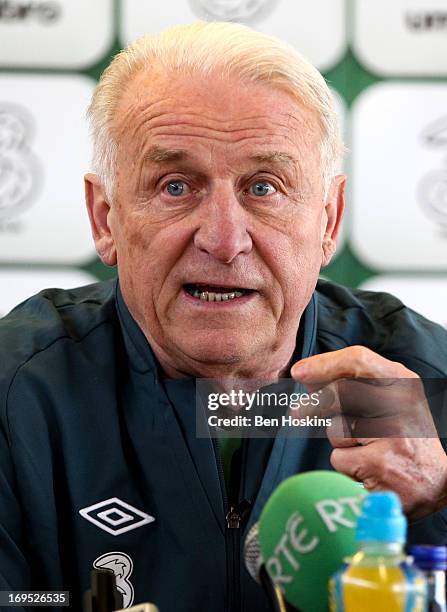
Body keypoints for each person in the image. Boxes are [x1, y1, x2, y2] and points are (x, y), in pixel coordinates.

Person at [0, 21, 446, 612]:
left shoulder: (419, 377)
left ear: (329, 222)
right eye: (176, 185)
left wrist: (443, 494)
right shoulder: (19, 391)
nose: (224, 238)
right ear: (106, 218)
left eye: (264, 187)